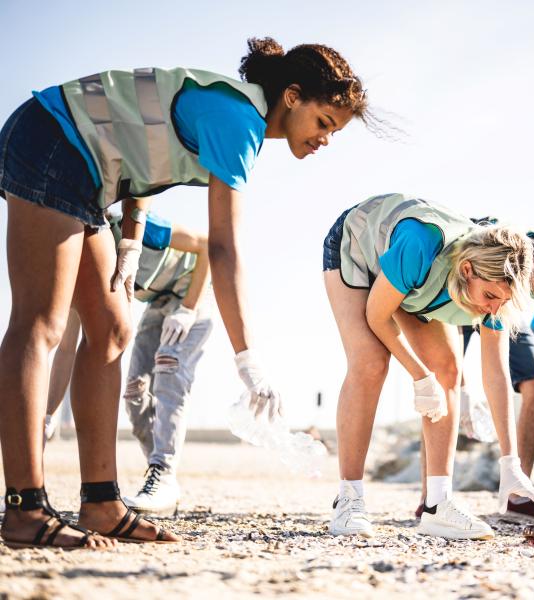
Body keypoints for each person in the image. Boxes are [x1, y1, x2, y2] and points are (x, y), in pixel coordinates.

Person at [0, 36, 368, 550]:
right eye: (324, 123)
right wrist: (248, 361)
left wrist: (129, 241)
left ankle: (102, 502)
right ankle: (24, 507)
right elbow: (223, 249)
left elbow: (137, 157)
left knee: (111, 327)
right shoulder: (239, 120)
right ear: (290, 97)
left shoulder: (238, 118)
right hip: (52, 138)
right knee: (42, 321)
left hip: (89, 170)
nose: (325, 139)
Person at [323, 193, 534, 540]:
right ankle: (349, 498)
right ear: (466, 270)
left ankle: (437, 506)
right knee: (371, 363)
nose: (493, 309)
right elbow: (377, 316)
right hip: (359, 249)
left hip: (411, 279)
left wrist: (511, 463)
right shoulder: (421, 244)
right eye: (489, 297)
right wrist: (418, 376)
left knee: (448, 369)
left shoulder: (497, 290)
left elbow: (497, 374)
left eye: (501, 302)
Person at [44, 212, 214, 515]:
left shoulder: (138, 228)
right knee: (135, 395)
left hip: (194, 296)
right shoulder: (78, 268)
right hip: (159, 303)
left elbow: (208, 246)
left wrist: (188, 309)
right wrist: (47, 416)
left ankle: (163, 470)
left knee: (169, 366)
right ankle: (164, 475)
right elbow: (66, 349)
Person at [420, 227, 534, 520]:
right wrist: (462, 387)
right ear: (532, 267)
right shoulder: (505, 260)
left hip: (505, 308)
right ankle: (430, 498)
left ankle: (516, 492)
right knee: (447, 379)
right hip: (467, 293)